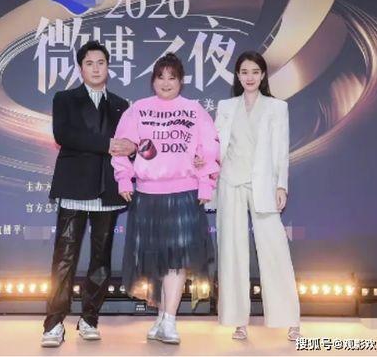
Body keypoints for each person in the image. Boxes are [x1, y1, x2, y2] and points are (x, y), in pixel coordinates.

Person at [111, 53, 219, 345]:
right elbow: (120, 147)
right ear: (153, 80)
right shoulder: (138, 110)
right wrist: (124, 178)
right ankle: (161, 317)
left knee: (176, 259)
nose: (166, 82)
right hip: (148, 195)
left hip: (183, 195)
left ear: (181, 81)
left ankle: (170, 320)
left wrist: (205, 184)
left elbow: (209, 150)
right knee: (156, 260)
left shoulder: (194, 110)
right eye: (161, 77)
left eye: (172, 77)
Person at [41, 41, 136, 348]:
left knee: (101, 259)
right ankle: (54, 323)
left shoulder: (121, 104)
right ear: (80, 68)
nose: (96, 68)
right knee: (64, 258)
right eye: (89, 63)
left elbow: (130, 142)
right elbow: (64, 135)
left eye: (101, 63)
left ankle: (90, 319)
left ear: (108, 67)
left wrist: (132, 147)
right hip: (74, 187)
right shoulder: (65, 99)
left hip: (107, 190)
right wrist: (107, 144)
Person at [214, 51, 300, 341]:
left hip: (263, 185)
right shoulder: (226, 107)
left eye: (255, 72)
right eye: (244, 72)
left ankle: (291, 320)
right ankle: (238, 321)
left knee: (275, 250)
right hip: (230, 182)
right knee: (232, 253)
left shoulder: (277, 107)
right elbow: (216, 146)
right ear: (237, 76)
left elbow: (281, 150)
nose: (249, 77)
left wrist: (281, 186)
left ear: (263, 75)